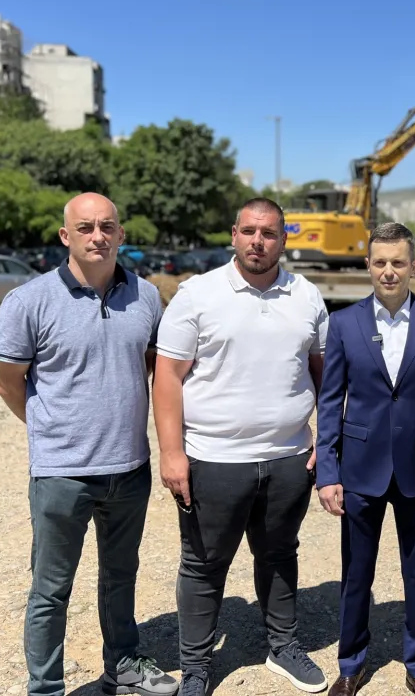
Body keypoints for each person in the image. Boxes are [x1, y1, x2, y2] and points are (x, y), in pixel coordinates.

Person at [0, 192, 177, 696]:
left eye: (107, 226)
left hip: (129, 468)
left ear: (120, 233)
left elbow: (153, 369)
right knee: (51, 590)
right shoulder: (29, 301)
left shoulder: (147, 297)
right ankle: (46, 688)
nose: (98, 236)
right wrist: (51, 429)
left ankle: (123, 667)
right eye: (86, 227)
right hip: (61, 474)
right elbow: (6, 381)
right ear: (65, 236)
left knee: (121, 577)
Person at [153, 197, 330, 696]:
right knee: (204, 564)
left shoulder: (307, 296)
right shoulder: (197, 294)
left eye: (269, 233)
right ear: (234, 234)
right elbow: (167, 377)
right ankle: (195, 666)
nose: (258, 242)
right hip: (214, 461)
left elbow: (325, 375)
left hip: (289, 458)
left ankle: (283, 646)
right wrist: (171, 453)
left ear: (283, 240)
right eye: (249, 231)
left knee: (279, 554)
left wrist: (329, 440)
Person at [315, 222, 415, 696]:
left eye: (398, 262)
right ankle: (351, 663)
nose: (388, 271)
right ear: (367, 265)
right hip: (360, 468)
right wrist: (327, 471)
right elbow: (330, 401)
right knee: (355, 573)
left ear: (413, 265)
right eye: (380, 262)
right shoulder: (344, 323)